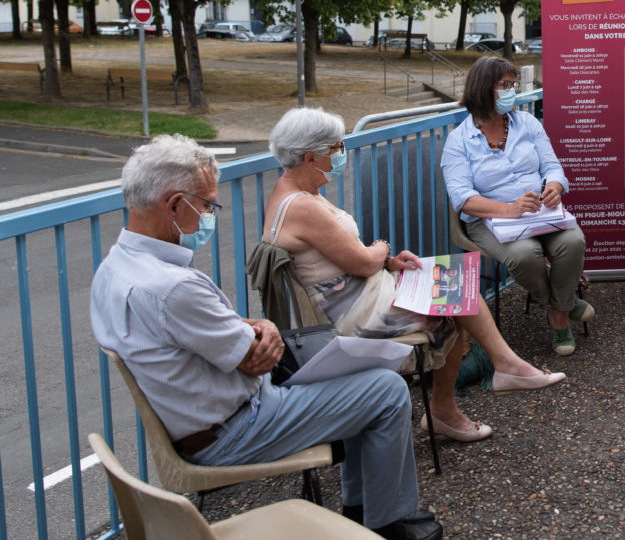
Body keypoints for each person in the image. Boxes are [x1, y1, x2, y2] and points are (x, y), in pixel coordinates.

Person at [89, 135, 443, 540]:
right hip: (237, 427)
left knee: (359, 383)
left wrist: (253, 328)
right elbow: (257, 358)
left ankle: (361, 512)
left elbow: (198, 329)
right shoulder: (173, 288)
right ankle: (386, 523)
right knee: (385, 390)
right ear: (173, 205)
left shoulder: (116, 269)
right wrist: (265, 329)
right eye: (206, 204)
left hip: (205, 418)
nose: (210, 214)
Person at [262, 107, 566, 442]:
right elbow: (363, 262)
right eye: (335, 149)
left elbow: (337, 258)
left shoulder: (292, 193)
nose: (340, 155)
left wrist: (387, 262)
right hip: (354, 312)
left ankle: (500, 370)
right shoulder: (302, 206)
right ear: (310, 156)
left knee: (454, 279)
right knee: (453, 299)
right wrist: (381, 249)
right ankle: (460, 399)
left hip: (359, 293)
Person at [441, 56, 592, 356]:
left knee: (573, 241)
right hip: (488, 219)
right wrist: (508, 208)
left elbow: (552, 166)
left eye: (514, 85)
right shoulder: (459, 141)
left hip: (539, 211)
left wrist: (554, 186)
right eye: (504, 85)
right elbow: (463, 199)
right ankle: (561, 306)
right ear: (484, 89)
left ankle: (558, 313)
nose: (512, 91)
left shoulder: (527, 123)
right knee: (525, 255)